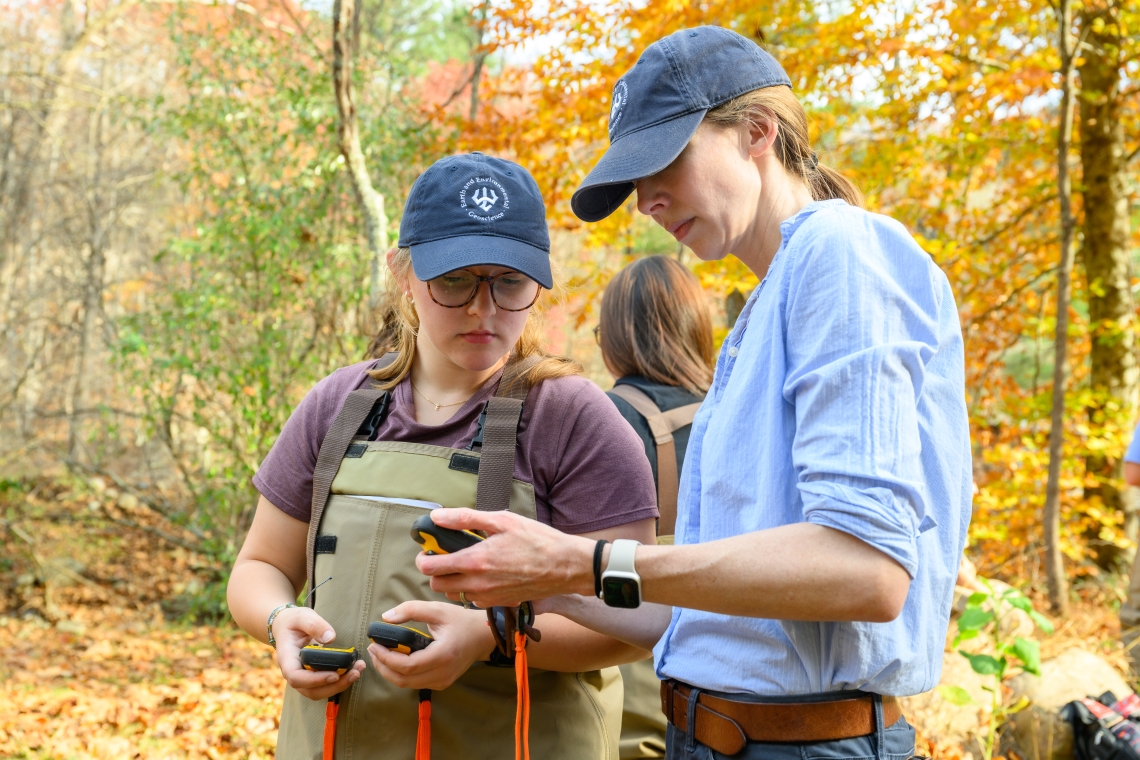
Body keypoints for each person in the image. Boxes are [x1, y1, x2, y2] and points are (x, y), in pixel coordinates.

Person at [412, 27, 973, 760]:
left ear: (756, 133)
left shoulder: (841, 254)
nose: (646, 199)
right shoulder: (766, 304)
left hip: (799, 744)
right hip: (720, 735)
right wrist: (529, 577)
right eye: (634, 182)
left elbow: (865, 571)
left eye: (663, 161)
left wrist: (583, 563)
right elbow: (710, 623)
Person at [226, 152, 659, 760]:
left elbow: (633, 623)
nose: (483, 310)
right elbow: (258, 567)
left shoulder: (575, 420)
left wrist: (491, 639)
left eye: (509, 283)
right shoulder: (336, 405)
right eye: (453, 281)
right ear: (401, 273)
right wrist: (278, 621)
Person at [598, 256, 713, 759]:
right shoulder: (730, 409)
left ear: (618, 337)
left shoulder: (602, 417)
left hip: (638, 707)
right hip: (734, 704)